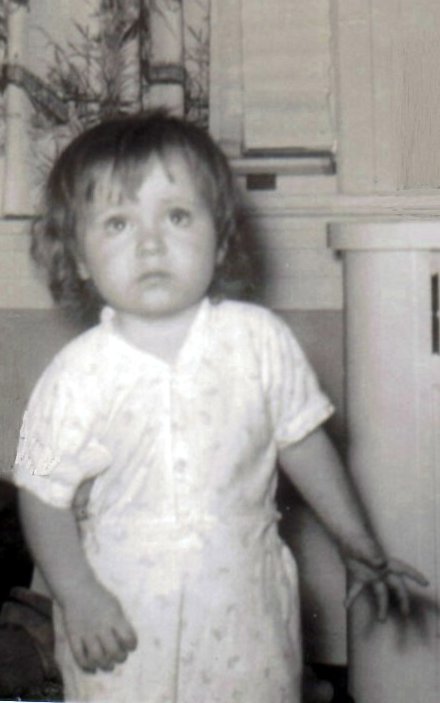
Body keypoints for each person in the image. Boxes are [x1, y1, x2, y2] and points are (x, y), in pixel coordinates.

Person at [10, 112, 427, 703]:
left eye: (177, 216)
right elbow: (37, 489)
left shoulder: (260, 342)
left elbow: (303, 443)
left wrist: (358, 543)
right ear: (78, 256)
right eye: (118, 223)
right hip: (123, 620)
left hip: (245, 611)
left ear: (221, 237)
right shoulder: (70, 377)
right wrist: (77, 595)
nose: (151, 242)